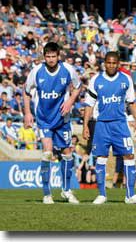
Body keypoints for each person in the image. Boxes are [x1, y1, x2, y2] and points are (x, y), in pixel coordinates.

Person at [83, 51, 136, 204]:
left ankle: (130, 195)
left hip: (120, 124)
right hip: (102, 125)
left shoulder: (125, 79)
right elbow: (89, 104)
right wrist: (86, 125)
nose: (111, 65)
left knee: (129, 155)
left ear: (118, 63)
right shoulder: (96, 80)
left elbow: (132, 102)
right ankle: (101, 194)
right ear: (104, 63)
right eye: (108, 62)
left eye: (114, 63)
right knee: (101, 157)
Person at [23, 42, 82, 204]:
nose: (50, 59)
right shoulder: (36, 71)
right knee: (48, 152)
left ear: (58, 56)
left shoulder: (68, 70)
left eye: (53, 56)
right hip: (44, 119)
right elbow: (26, 92)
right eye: (47, 56)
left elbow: (78, 87)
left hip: (62, 119)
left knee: (67, 153)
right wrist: (28, 113)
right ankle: (47, 194)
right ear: (44, 56)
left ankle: (66, 191)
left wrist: (70, 101)